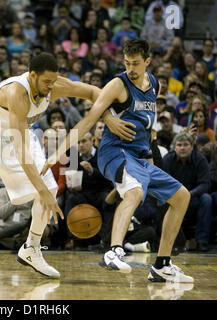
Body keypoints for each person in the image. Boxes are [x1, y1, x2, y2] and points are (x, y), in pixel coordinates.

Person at [0, 52, 131, 280]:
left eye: (54, 81)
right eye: (46, 82)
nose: (51, 87)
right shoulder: (17, 93)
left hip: (17, 133)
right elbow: (21, 151)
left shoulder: (53, 84)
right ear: (32, 75)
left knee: (50, 189)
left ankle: (31, 248)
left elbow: (93, 92)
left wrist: (108, 117)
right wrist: (40, 191)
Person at [43, 39, 194, 283]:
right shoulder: (118, 84)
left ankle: (162, 265)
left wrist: (148, 158)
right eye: (126, 63)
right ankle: (114, 251)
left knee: (182, 196)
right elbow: (90, 118)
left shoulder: (153, 83)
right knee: (133, 191)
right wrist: (59, 149)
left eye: (135, 63)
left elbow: (147, 125)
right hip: (114, 152)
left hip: (139, 156)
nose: (130, 68)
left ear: (147, 61)